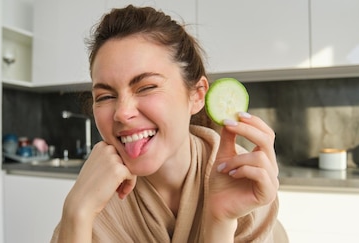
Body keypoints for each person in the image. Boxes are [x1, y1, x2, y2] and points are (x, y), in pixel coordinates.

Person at [51, 5, 287, 243]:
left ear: (196, 95)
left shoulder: (244, 180)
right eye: (105, 96)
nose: (122, 113)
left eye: (146, 87)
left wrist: (220, 221)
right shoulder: (95, 198)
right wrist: (76, 213)